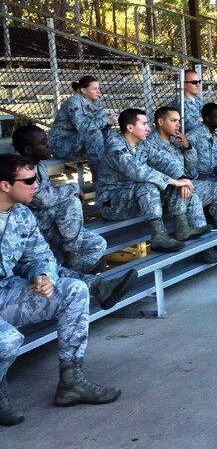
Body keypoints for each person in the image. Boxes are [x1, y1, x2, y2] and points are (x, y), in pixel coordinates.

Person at [0, 154, 121, 427]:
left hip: (6, 292)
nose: (36, 186)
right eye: (29, 181)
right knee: (7, 341)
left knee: (75, 290)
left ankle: (72, 382)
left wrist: (43, 275)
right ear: (5, 185)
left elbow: (39, 256)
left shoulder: (21, 214)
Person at [96, 108, 208, 253]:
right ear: (130, 128)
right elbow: (137, 171)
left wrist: (181, 178)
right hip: (112, 202)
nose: (149, 128)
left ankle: (182, 227)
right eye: (144, 124)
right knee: (150, 186)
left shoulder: (142, 145)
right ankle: (158, 237)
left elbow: (166, 161)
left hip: (136, 198)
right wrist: (172, 181)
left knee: (175, 185)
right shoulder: (115, 146)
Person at [12, 125, 108, 273]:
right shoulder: (18, 170)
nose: (49, 145)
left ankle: (72, 269)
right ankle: (71, 256)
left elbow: (50, 193)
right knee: (71, 201)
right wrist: (74, 188)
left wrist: (67, 190)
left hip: (51, 225)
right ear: (28, 150)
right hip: (32, 228)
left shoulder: (40, 166)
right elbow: (42, 199)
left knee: (98, 244)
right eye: (43, 143)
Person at [147, 107, 217, 264]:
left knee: (216, 189)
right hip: (164, 190)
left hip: (183, 184)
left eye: (179, 121)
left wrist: (187, 147)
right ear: (160, 122)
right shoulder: (151, 143)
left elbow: (190, 167)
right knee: (193, 197)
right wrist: (182, 180)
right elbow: (162, 168)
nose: (178, 125)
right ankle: (204, 250)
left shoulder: (175, 140)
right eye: (173, 121)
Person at [48, 75, 116, 173]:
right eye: (94, 89)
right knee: (94, 134)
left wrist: (111, 120)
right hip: (62, 145)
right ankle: (100, 177)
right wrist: (105, 120)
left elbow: (100, 123)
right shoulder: (74, 102)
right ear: (84, 90)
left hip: (81, 141)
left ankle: (116, 170)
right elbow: (82, 127)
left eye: (99, 88)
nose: (99, 91)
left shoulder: (96, 102)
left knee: (110, 133)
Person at [171, 69, 204, 134]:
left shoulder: (198, 100)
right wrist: (205, 119)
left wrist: (201, 119)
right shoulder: (179, 102)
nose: (198, 85)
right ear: (184, 84)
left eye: (199, 82)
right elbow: (190, 125)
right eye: (194, 82)